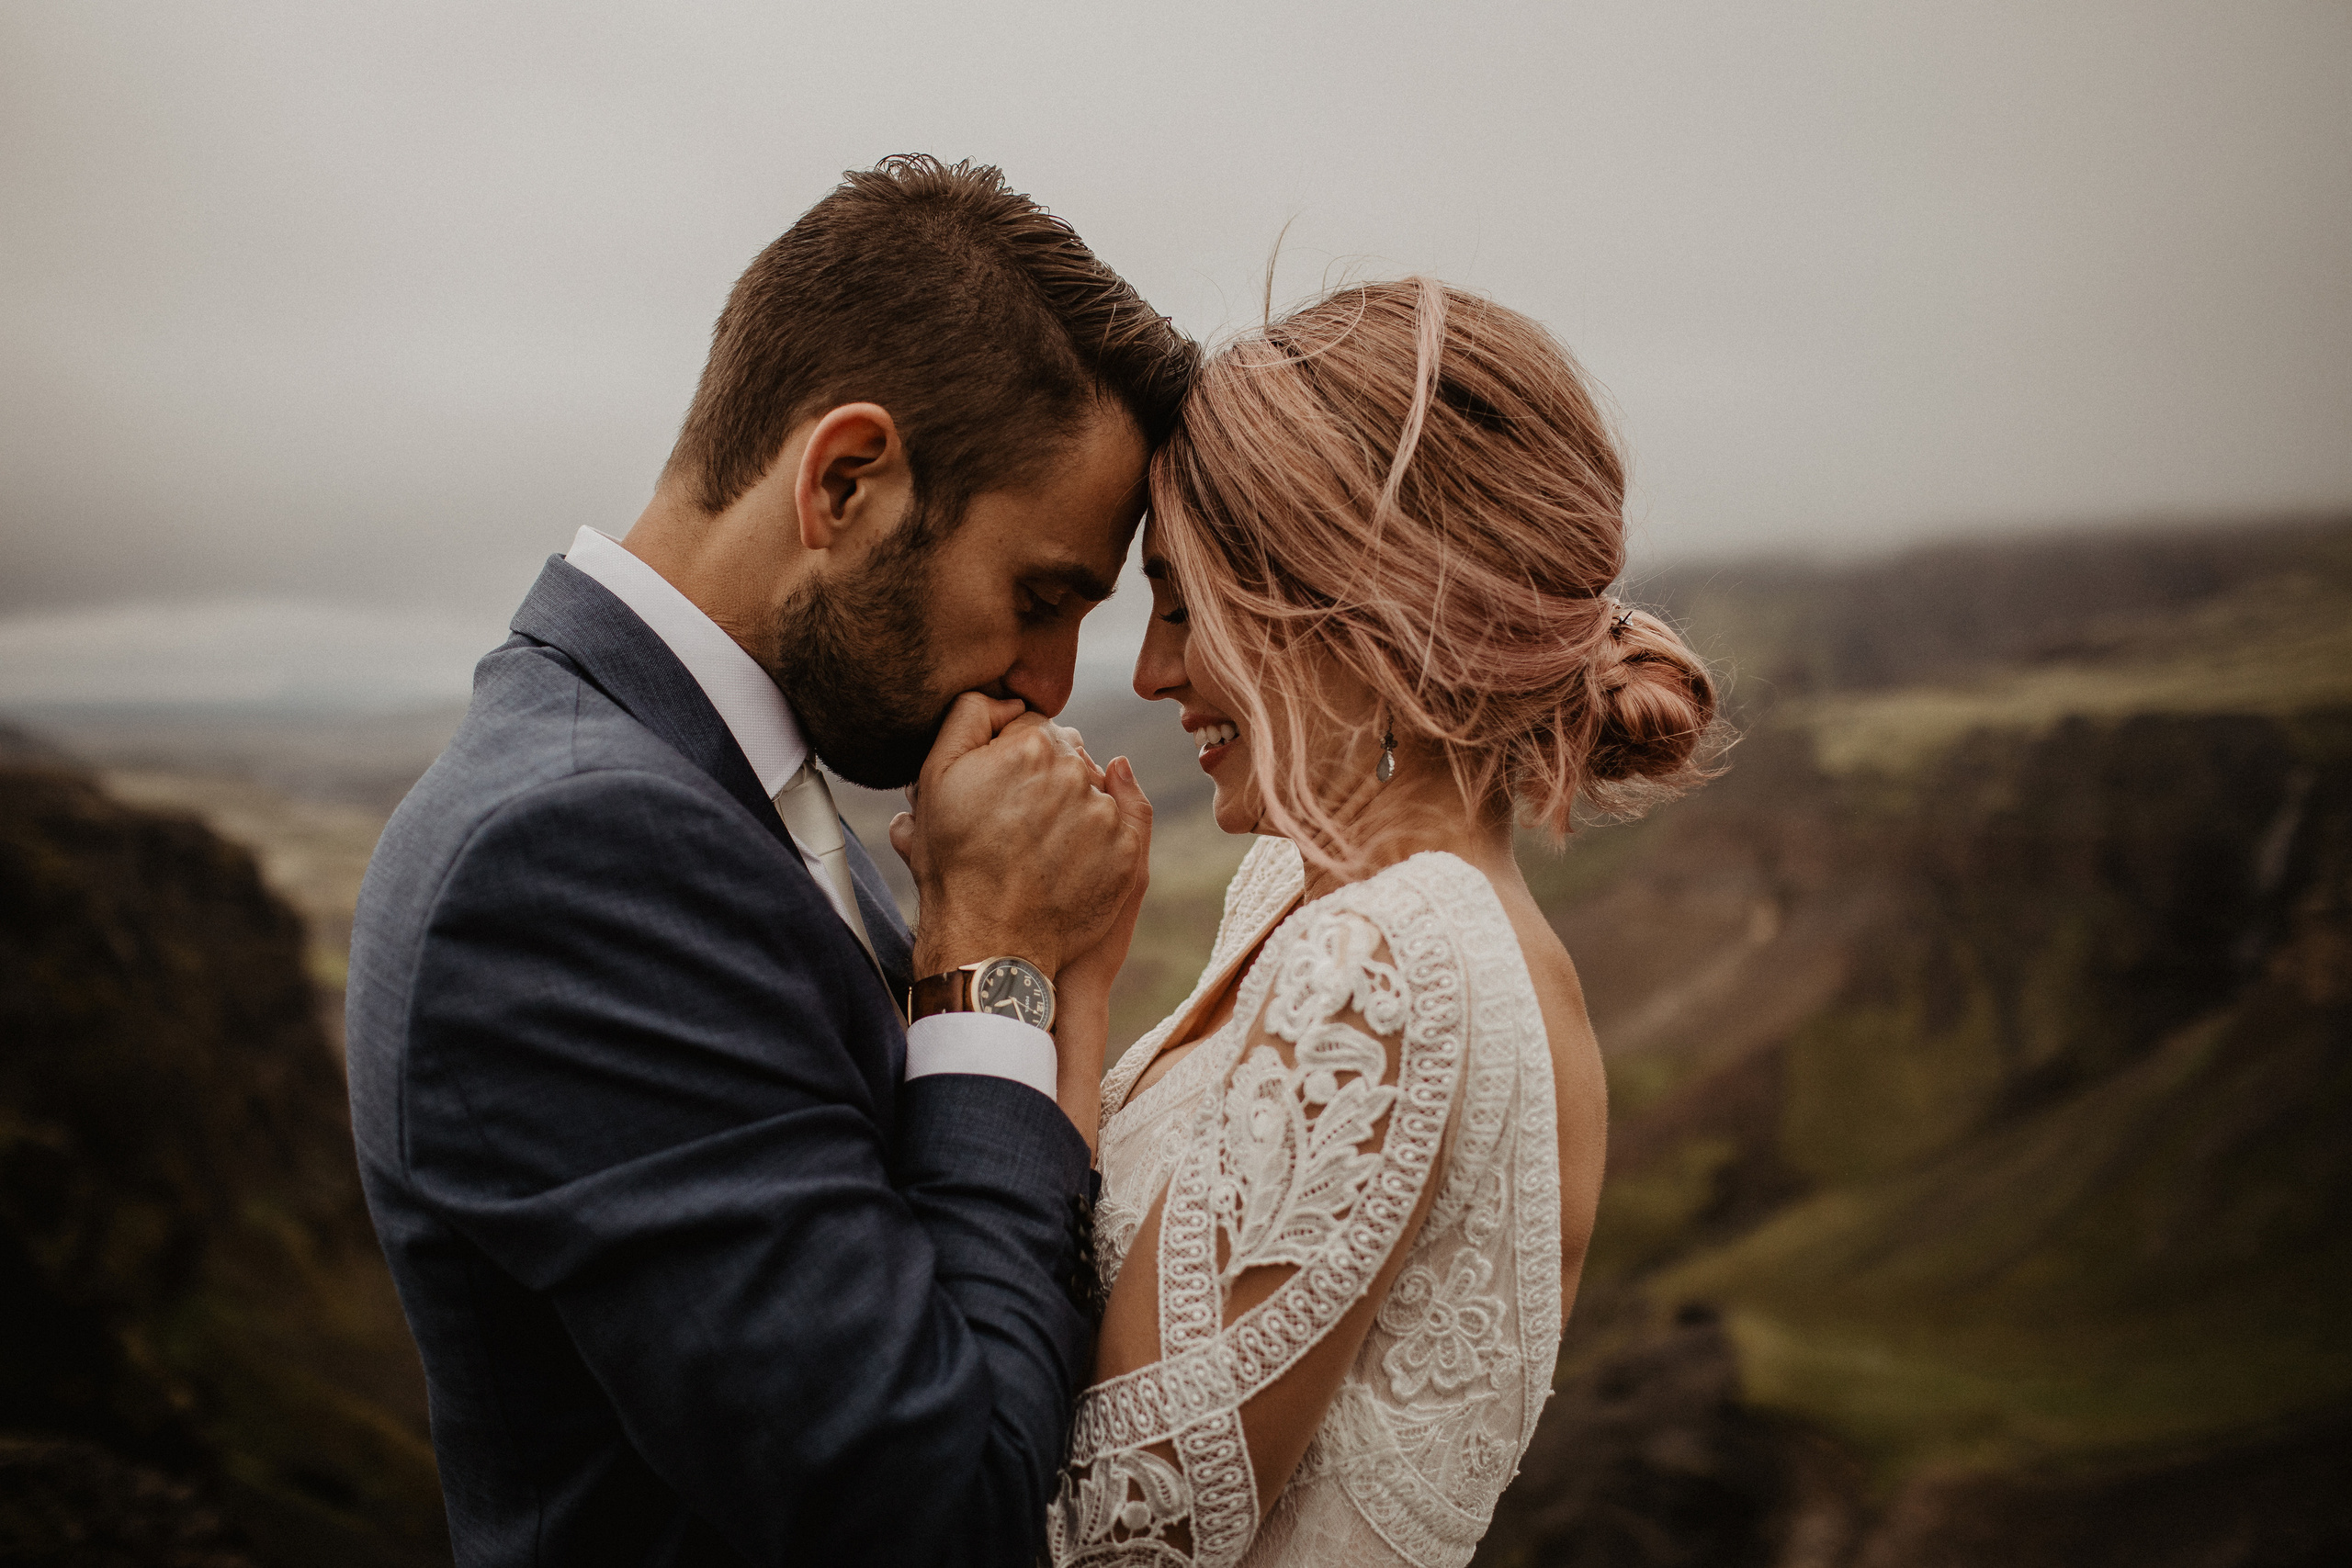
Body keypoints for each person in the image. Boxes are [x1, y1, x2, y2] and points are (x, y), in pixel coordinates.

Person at [345, 156, 1193, 1567]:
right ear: (847, 479)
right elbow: (938, 1508)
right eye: (1041, 599)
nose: (1049, 682)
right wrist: (994, 959)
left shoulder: (714, 782)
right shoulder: (570, 853)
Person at [1043, 278, 1719, 1566]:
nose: (1151, 673)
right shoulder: (1312, 901)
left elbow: (1113, 1543)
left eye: (1187, 605)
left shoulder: (1391, 957)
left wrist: (1034, 975)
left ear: (1360, 604)